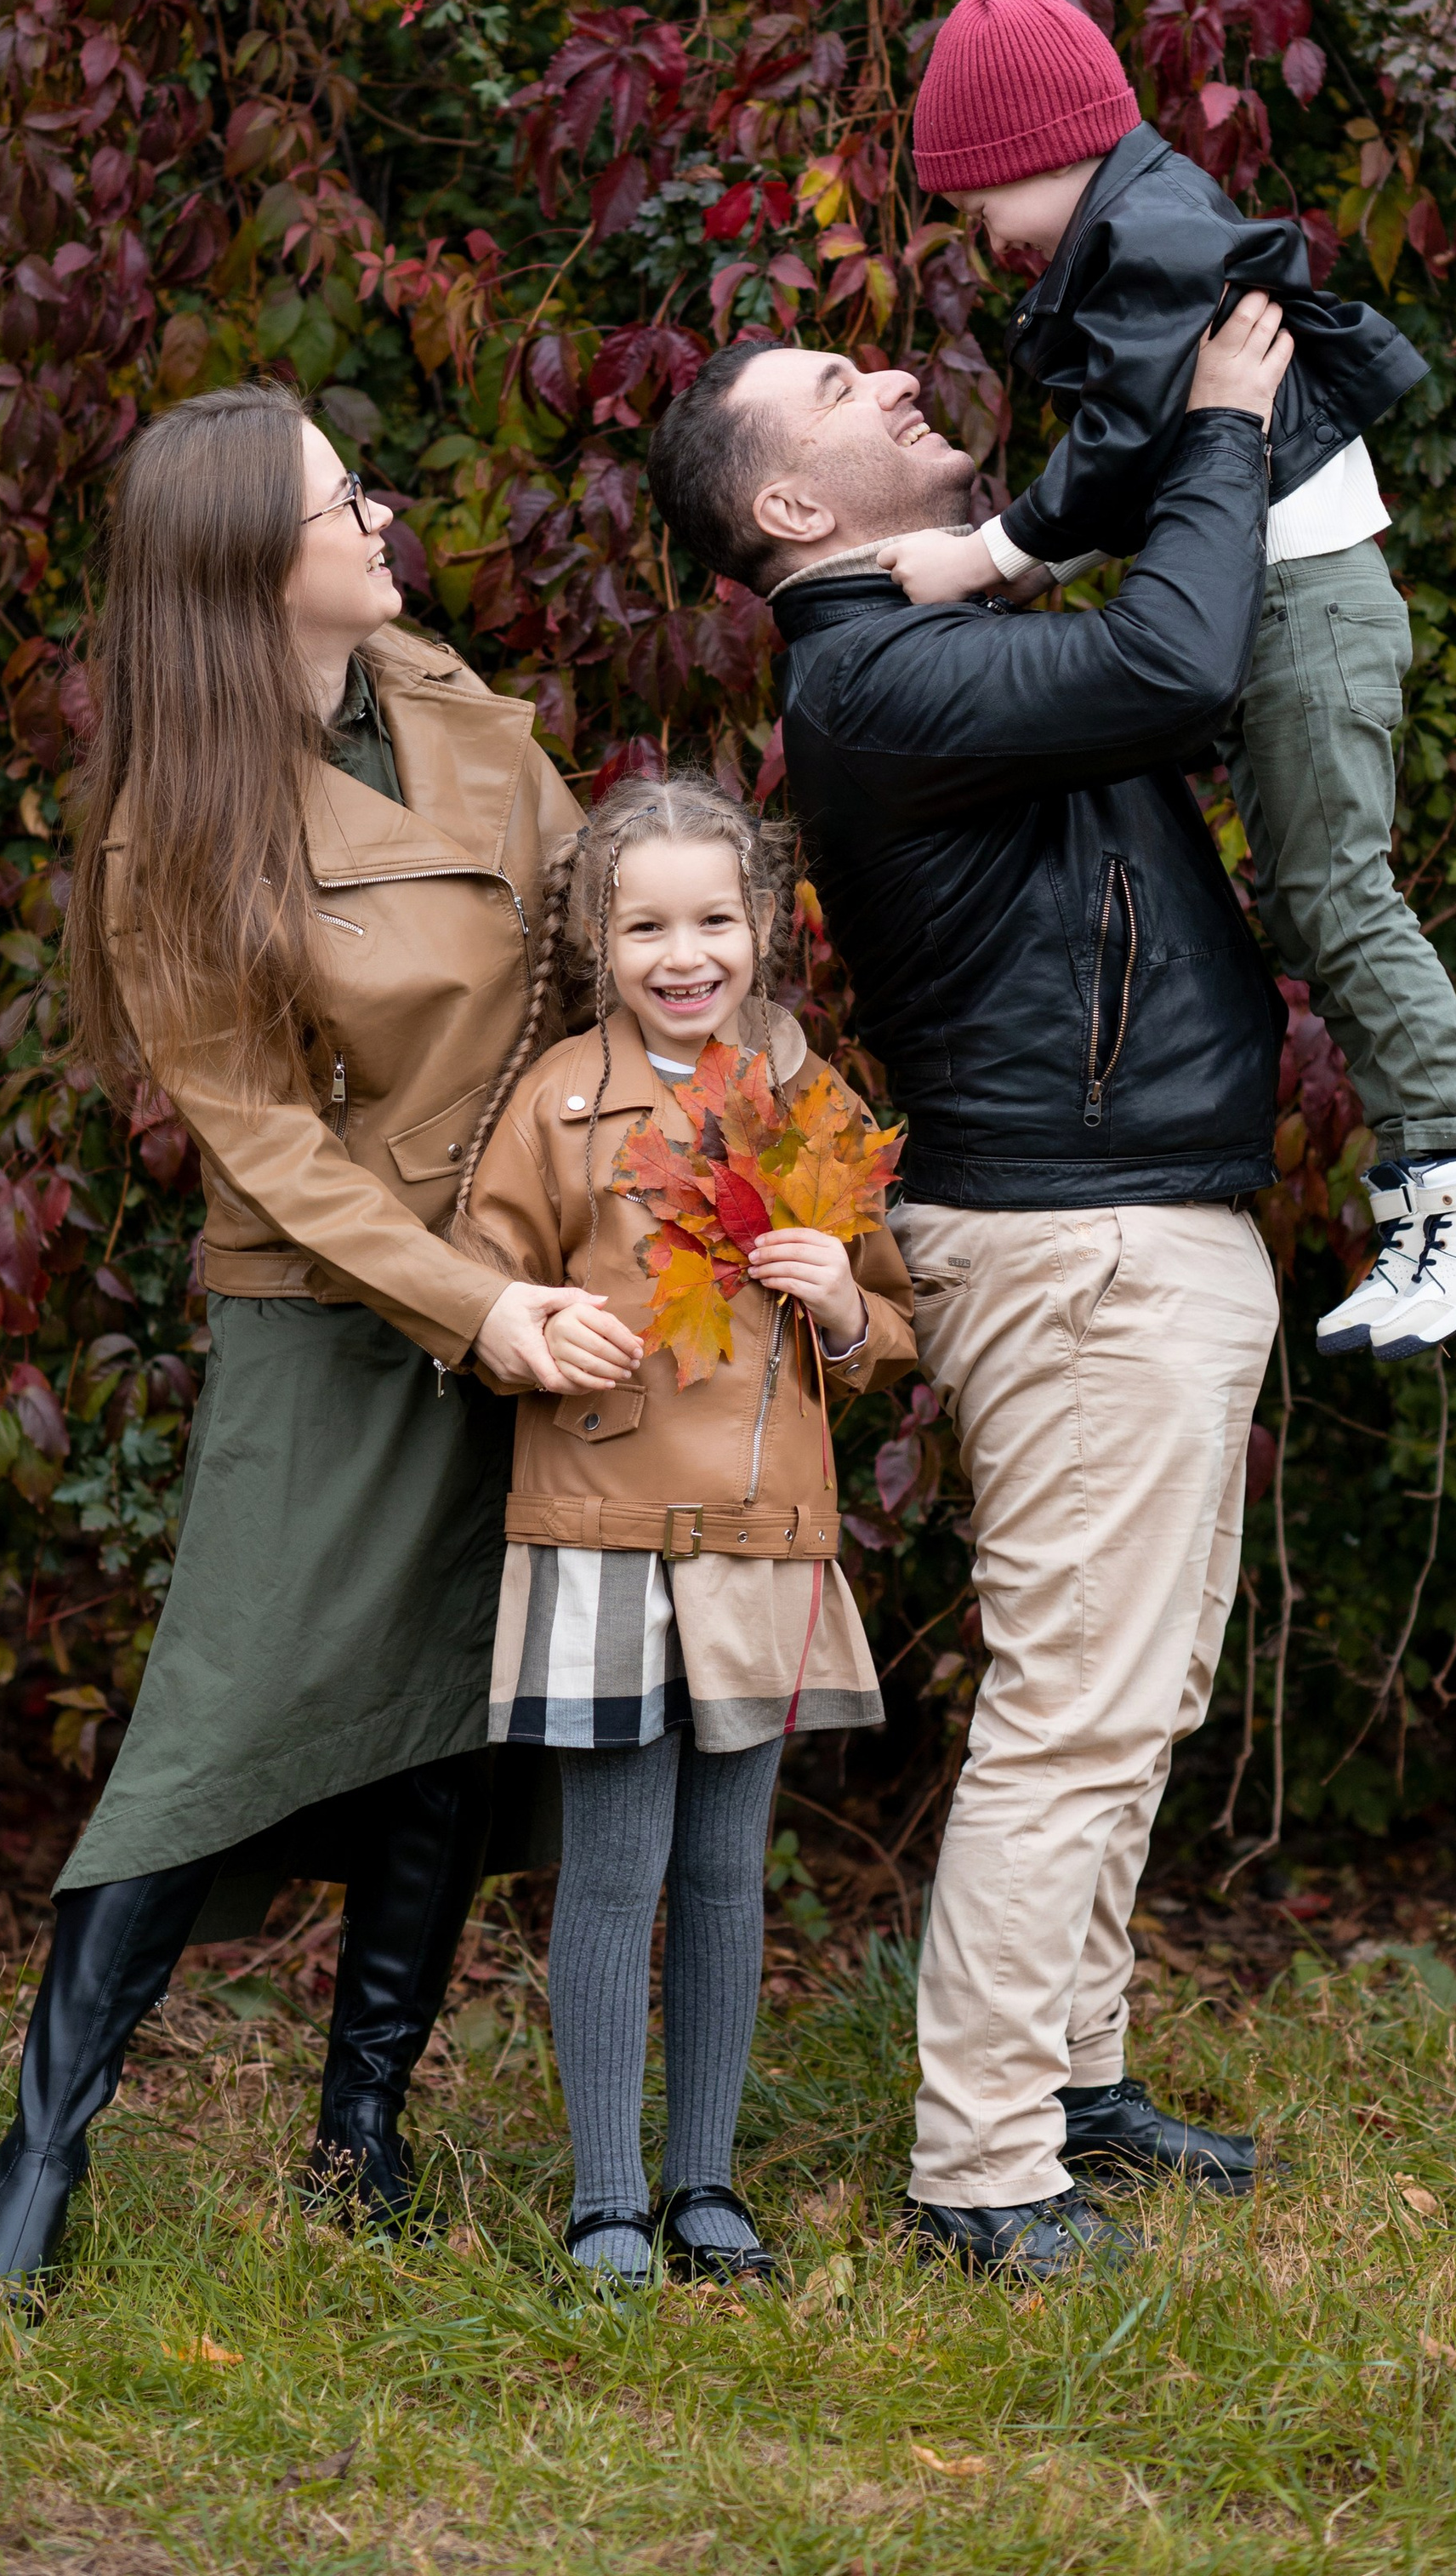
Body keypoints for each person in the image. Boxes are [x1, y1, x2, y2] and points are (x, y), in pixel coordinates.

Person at [0, 381, 640, 2292]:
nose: (383, 516)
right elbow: (267, 1154)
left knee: (443, 1721)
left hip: (536, 1274)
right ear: (254, 562)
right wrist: (475, 1305)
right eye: (349, 499)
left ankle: (363, 2134)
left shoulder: (438, 699)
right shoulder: (174, 827)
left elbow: (593, 920)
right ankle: (38, 2162)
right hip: (340, 1322)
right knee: (219, 1721)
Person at [642, 297, 1293, 2280]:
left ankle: (1073, 2080)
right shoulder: (872, 682)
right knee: (1075, 1707)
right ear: (783, 496)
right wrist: (1225, 424)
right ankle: (983, 2165)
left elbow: (1150, 674)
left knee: (1139, 1685)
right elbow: (1180, 654)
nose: (896, 380)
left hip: (1138, 1216)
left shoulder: (927, 647)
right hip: (1080, 1236)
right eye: (839, 392)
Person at [878, 0, 1456, 1359]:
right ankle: (1448, 1172)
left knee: (1337, 890)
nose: (981, 238)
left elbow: (1139, 436)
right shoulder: (1146, 227)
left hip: (1303, 604)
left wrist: (992, 557)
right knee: (1318, 892)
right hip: (1287, 601)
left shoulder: (1152, 236)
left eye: (977, 203)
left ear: (1034, 150)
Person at [451, 774, 917, 2289]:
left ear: (763, 928)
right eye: (645, 924)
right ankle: (605, 2197)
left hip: (763, 1531)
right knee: (612, 1869)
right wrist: (526, 1335)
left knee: (727, 1870)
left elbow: (895, 1317)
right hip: (597, 1519)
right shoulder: (558, 1100)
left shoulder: (810, 1102)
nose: (682, 952)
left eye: (713, 918)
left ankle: (707, 2187)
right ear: (597, 936)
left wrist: (843, 1298)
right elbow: (478, 1285)